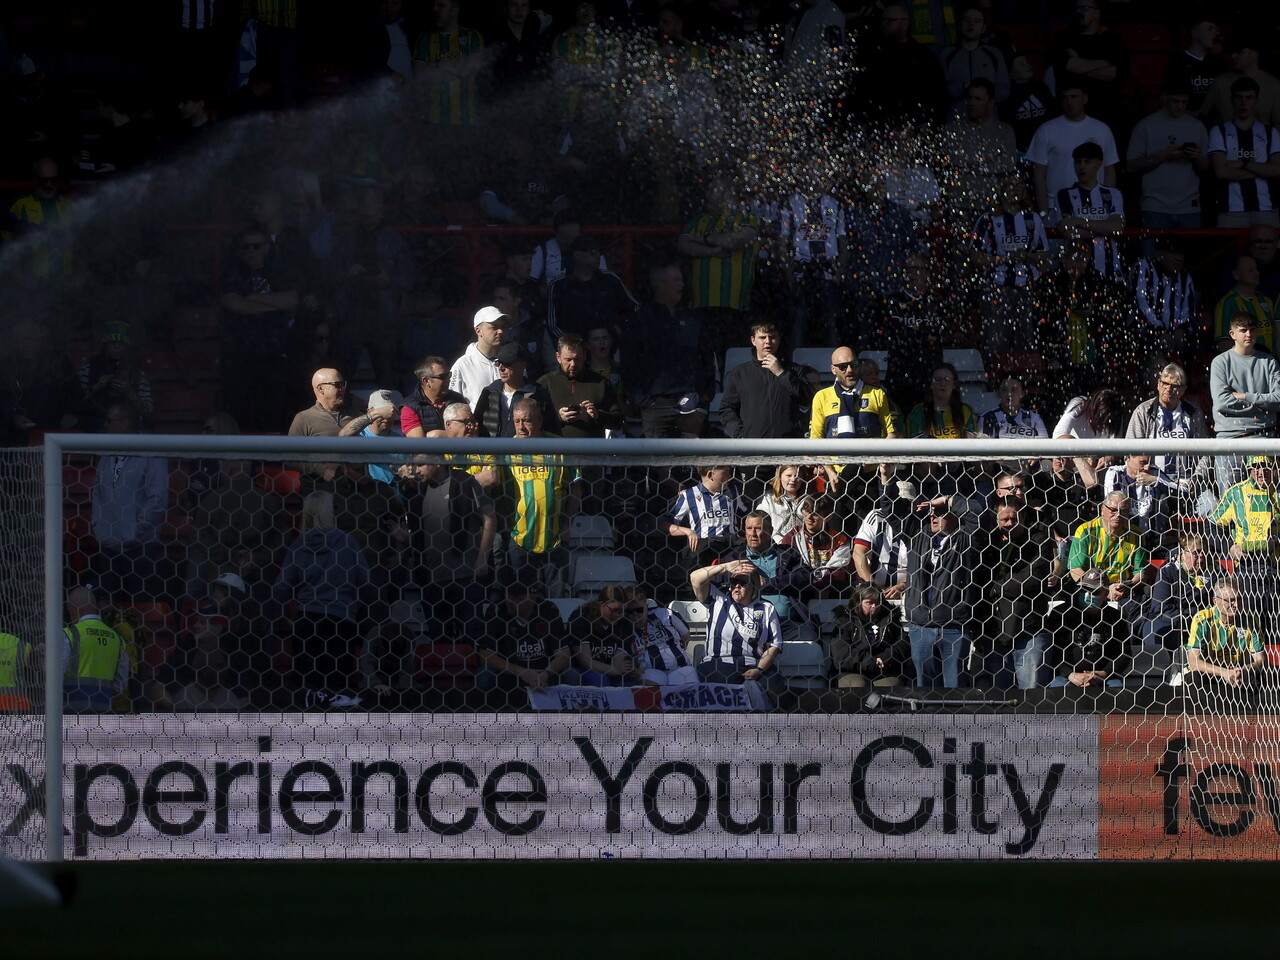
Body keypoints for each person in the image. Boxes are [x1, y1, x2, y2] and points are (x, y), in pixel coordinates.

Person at [273, 491, 371, 696]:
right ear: (330, 512)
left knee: (308, 690)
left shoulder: (299, 545)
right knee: (336, 689)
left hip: (307, 620)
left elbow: (281, 586)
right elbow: (365, 583)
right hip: (340, 619)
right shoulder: (347, 542)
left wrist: (289, 616)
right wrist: (354, 609)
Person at [623, 260, 714, 438]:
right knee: (659, 462)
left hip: (692, 400)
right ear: (659, 284)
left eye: (681, 280)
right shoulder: (641, 319)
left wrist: (707, 394)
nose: (681, 284)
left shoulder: (691, 318)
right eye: (676, 280)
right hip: (657, 405)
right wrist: (643, 399)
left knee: (694, 461)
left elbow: (706, 358)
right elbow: (629, 361)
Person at [502, 397, 583, 591]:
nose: (521, 427)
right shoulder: (506, 450)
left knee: (557, 599)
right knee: (520, 599)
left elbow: (576, 488)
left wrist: (567, 524)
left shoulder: (559, 447)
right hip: (519, 538)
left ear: (539, 420)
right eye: (516, 421)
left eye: (527, 421)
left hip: (555, 538)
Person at [902, 492, 981, 688]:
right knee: (925, 689)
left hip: (954, 628)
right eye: (931, 512)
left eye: (940, 512)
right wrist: (885, 477)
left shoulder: (966, 540)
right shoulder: (917, 538)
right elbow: (893, 513)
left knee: (955, 688)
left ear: (955, 515)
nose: (933, 516)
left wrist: (948, 501)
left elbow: (978, 514)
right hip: (920, 628)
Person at [91, 402, 167, 603]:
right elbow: (97, 492)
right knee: (108, 604)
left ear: (124, 423)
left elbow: (157, 498)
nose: (106, 426)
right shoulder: (107, 454)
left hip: (139, 546)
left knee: (139, 605)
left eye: (110, 421)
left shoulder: (152, 451)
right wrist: (99, 527)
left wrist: (136, 529)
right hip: (109, 543)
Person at [979, 498, 1058, 689]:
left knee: (1032, 699)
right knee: (1000, 698)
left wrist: (996, 588)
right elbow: (979, 577)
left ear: (1023, 516)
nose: (1009, 524)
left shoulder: (1038, 540)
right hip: (995, 633)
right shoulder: (990, 543)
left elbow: (1032, 578)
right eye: (1004, 519)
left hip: (1029, 631)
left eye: (1014, 518)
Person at [688, 558, 782, 706]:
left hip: (753, 665)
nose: (737, 586)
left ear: (754, 587)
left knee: (775, 683)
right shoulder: (719, 599)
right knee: (723, 681)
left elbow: (774, 646)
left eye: (744, 583)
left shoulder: (766, 608)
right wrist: (726, 567)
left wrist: (759, 669)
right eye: (734, 582)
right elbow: (695, 578)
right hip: (719, 664)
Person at [808, 345, 901, 494]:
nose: (850, 370)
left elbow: (893, 434)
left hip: (869, 475)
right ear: (833, 369)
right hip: (834, 476)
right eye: (843, 367)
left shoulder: (877, 394)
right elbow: (816, 440)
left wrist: (870, 459)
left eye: (854, 364)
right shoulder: (822, 397)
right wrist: (830, 472)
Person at [1125, 362, 1214, 517]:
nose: (1168, 389)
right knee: (1154, 510)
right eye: (1165, 383)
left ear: (1183, 390)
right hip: (1152, 481)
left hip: (1187, 482)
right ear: (1158, 384)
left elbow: (1206, 453)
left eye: (1175, 386)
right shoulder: (1143, 411)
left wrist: (1197, 478)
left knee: (1211, 507)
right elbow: (1132, 453)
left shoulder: (1193, 413)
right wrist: (1146, 475)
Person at [1026, 83, 1119, 221]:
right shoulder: (1047, 129)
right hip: (1056, 206)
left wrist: (1107, 206)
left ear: (1085, 98)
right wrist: (1044, 213)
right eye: (1065, 97)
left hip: (1096, 207)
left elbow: (1109, 170)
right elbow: (1038, 175)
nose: (1068, 101)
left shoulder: (1102, 129)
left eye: (1074, 96)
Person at [1209, 314, 1280, 493]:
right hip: (1230, 442)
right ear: (1232, 334)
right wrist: (1262, 401)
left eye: (1252, 330)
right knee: (1232, 507)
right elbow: (1222, 402)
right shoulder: (1220, 363)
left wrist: (1244, 396)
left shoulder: (1269, 362)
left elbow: (1278, 400)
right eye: (1243, 330)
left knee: (1267, 506)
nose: (1248, 334)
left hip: (1264, 440)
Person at [724, 511, 819, 644]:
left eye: (758, 528)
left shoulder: (788, 553)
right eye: (749, 529)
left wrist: (769, 583)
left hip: (787, 623)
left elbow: (805, 577)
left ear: (770, 530)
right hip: (749, 623)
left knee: (811, 642)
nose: (753, 534)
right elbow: (724, 587)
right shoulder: (735, 558)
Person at [476, 569, 573, 697]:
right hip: (509, 673)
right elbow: (485, 656)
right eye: (508, 595)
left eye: (517, 598)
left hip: (543, 675)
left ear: (532, 597)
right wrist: (521, 671)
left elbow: (564, 654)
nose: (510, 601)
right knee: (484, 674)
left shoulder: (548, 610)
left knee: (572, 675)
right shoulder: (497, 611)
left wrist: (547, 673)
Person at [1125, 83, 1210, 228]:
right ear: (1165, 98)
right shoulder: (1146, 125)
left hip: (1189, 207)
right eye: (1175, 101)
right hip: (1154, 206)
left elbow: (1206, 168)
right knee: (1151, 251)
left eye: (1184, 102)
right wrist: (1162, 156)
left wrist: (1196, 157)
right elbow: (1130, 167)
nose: (1180, 106)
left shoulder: (1197, 126)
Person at [1184, 576, 1270, 714]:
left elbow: (1262, 660)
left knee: (1267, 675)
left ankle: (1254, 718)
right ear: (1215, 601)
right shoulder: (1202, 620)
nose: (1236, 605)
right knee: (1193, 678)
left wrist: (1244, 670)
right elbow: (1194, 662)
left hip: (1238, 674)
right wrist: (1224, 672)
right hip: (1212, 676)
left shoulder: (1250, 619)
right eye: (1230, 601)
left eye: (1239, 599)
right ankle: (1213, 719)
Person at [1210, 455, 1280, 616]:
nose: (1261, 472)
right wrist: (1230, 547)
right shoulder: (1236, 493)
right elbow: (1212, 526)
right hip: (1246, 569)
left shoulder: (1278, 492)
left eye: (1265, 466)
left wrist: (1276, 542)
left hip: (1275, 567)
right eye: (1256, 467)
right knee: (1249, 621)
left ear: (1273, 467)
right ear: (1249, 469)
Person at [1207, 77, 1280, 228]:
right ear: (1231, 100)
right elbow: (1221, 172)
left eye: (1249, 98)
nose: (1243, 102)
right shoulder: (1218, 131)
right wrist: (1263, 170)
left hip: (1266, 209)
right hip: (1231, 212)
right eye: (1238, 97)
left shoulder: (1270, 132)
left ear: (1256, 101)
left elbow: (1277, 170)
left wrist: (1243, 164)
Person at [719, 323, 812, 439]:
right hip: (752, 448)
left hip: (788, 447)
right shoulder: (740, 373)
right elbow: (727, 409)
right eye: (762, 337)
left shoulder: (794, 370)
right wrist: (741, 435)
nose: (768, 341)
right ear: (753, 340)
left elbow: (807, 399)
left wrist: (781, 373)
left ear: (779, 340)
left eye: (772, 337)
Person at [1046, 0, 1129, 128]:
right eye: (1076, 8)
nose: (1079, 12)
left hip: (1108, 110)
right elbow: (1069, 66)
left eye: (1084, 8)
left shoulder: (1113, 40)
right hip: (1072, 112)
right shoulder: (1062, 38)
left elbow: (1115, 73)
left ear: (1097, 13)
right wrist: (1105, 64)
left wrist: (1080, 63)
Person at [1050, 567, 1129, 689]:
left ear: (1105, 593)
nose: (1087, 595)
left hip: (1106, 677)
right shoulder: (1064, 614)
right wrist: (1070, 674)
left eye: (1095, 591)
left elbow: (1124, 653)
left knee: (1117, 694)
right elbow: (1054, 651)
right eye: (1083, 589)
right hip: (1068, 676)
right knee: (1057, 691)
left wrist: (1103, 673)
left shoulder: (1115, 617)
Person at [1056, 141, 1124, 279]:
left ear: (1099, 163)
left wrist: (1078, 221)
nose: (1081, 167)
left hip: (1109, 268)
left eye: (1087, 162)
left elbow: (1117, 228)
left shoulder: (1113, 194)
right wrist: (1105, 229)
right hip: (1077, 270)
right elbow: (1069, 233)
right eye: (1078, 162)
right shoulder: (1064, 195)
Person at [1066, 492, 1148, 608]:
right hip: (1090, 591)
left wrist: (1126, 586)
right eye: (1113, 510)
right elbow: (1075, 570)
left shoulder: (1136, 534)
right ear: (1102, 510)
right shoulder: (1085, 531)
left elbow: (1141, 572)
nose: (1118, 515)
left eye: (1123, 511)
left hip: (1122, 593)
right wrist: (1105, 590)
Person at [536, 333, 623, 439]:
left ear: (585, 356)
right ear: (558, 357)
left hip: (591, 451)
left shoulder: (600, 383)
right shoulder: (545, 384)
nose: (573, 364)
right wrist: (558, 417)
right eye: (568, 360)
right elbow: (532, 421)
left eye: (577, 359)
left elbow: (617, 421)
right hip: (556, 451)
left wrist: (597, 415)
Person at [412, 0, 485, 127]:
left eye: (441, 5)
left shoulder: (473, 37)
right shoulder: (425, 39)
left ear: (454, 10)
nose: (435, 9)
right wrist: (456, 66)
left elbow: (472, 69)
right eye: (434, 4)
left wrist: (435, 66)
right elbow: (419, 75)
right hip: (432, 122)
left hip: (466, 121)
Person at [61, 584, 129, 713]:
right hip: (105, 711)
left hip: (71, 712)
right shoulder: (117, 639)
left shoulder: (68, 635)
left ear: (72, 609)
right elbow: (121, 685)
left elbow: (56, 676)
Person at [1144, 533, 1215, 656]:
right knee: (1156, 631)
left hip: (1207, 623)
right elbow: (1161, 608)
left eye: (1204, 552)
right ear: (1182, 554)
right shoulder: (1168, 571)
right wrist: (1193, 619)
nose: (1202, 557)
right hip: (1176, 624)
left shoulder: (1215, 571)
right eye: (1196, 553)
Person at [286, 368, 359, 487]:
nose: (343, 388)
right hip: (318, 488)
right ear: (321, 389)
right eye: (338, 384)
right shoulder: (303, 418)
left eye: (343, 384)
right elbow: (291, 458)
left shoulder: (354, 415)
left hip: (352, 487)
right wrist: (323, 470)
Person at [829, 583, 909, 689]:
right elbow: (841, 654)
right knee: (857, 686)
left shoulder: (890, 619)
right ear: (858, 602)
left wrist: (884, 658)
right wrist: (870, 662)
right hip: (852, 671)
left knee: (890, 686)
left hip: (884, 671)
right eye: (869, 603)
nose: (874, 607)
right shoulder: (845, 620)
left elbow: (902, 644)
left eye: (877, 602)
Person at [77, 322, 153, 431]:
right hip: (98, 425)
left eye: (121, 343)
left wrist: (130, 392)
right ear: (105, 345)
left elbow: (148, 411)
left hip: (130, 428)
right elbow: (77, 401)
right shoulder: (90, 366)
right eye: (113, 343)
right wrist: (97, 387)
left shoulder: (136, 371)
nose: (117, 347)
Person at [664, 465, 747, 563]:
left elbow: (747, 514)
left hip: (732, 545)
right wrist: (689, 532)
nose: (730, 476)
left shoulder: (733, 492)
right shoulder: (689, 495)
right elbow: (666, 525)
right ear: (710, 475)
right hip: (706, 547)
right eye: (726, 473)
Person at [1129, 237, 1199, 352]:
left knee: (1193, 345)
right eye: (1173, 253)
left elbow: (1188, 311)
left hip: (1172, 335)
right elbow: (1140, 302)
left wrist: (1181, 329)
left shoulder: (1185, 278)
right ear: (1159, 254)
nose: (1179, 258)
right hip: (1142, 333)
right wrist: (1159, 330)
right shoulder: (1143, 267)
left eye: (1181, 254)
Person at [569, 586, 646, 686]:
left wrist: (631, 668)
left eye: (623, 611)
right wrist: (614, 669)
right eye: (614, 610)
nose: (619, 615)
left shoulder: (624, 623)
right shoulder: (581, 619)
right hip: (583, 668)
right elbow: (585, 661)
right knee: (599, 679)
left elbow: (618, 659)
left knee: (628, 684)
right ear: (601, 604)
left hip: (610, 667)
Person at [473, 342, 551, 439]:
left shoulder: (537, 394)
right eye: (498, 363)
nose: (501, 368)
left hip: (525, 453)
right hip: (491, 452)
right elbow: (476, 426)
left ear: (523, 365)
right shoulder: (489, 393)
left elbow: (550, 430)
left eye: (507, 363)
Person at [938, 6, 1009, 107]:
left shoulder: (994, 54)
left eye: (977, 21)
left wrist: (984, 97)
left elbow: (1004, 87)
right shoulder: (946, 55)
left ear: (983, 28)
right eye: (967, 20)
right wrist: (962, 87)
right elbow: (939, 90)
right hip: (956, 117)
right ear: (959, 25)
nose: (971, 24)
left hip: (988, 117)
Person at [783, 495, 853, 597]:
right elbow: (789, 568)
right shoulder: (792, 537)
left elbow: (839, 573)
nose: (809, 517)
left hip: (832, 592)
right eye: (806, 511)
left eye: (815, 513)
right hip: (801, 592)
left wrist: (818, 581)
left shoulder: (839, 539)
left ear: (829, 517)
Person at [630, 590, 698, 685]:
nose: (635, 615)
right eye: (629, 611)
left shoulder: (666, 615)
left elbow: (686, 636)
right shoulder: (623, 628)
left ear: (646, 607)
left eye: (639, 610)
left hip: (680, 668)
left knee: (688, 690)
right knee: (650, 691)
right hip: (649, 671)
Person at [449, 306, 511, 409]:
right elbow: (453, 407)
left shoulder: (512, 360)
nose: (500, 331)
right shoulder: (462, 365)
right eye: (494, 327)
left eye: (502, 327)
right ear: (478, 331)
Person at [1101, 455, 1177, 538]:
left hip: (1151, 538)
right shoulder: (1116, 473)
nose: (1147, 468)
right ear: (1129, 458)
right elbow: (1111, 505)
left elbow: (1184, 492)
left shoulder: (1154, 473)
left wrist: (1155, 481)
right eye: (1142, 463)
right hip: (1124, 537)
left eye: (1149, 463)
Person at [1213, 255, 1275, 350]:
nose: (1256, 273)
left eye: (1256, 269)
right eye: (1250, 270)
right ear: (1236, 274)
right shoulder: (1228, 303)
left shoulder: (1266, 300)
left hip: (1270, 362)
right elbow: (1223, 341)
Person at [904, 362, 975, 439]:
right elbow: (914, 446)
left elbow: (972, 443)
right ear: (931, 384)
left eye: (947, 379)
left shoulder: (965, 411)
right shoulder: (917, 413)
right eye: (937, 380)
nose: (942, 383)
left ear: (954, 384)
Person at [403, 356, 467, 438]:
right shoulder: (410, 407)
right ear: (426, 381)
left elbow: (472, 432)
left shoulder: (457, 399)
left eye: (448, 375)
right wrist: (456, 434)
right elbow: (419, 446)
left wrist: (437, 435)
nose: (448, 380)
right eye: (443, 377)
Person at [755, 465, 808, 544]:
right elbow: (761, 524)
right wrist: (780, 541)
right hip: (776, 545)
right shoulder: (768, 498)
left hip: (802, 544)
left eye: (797, 476)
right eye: (788, 476)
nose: (793, 479)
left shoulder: (807, 501)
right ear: (780, 477)